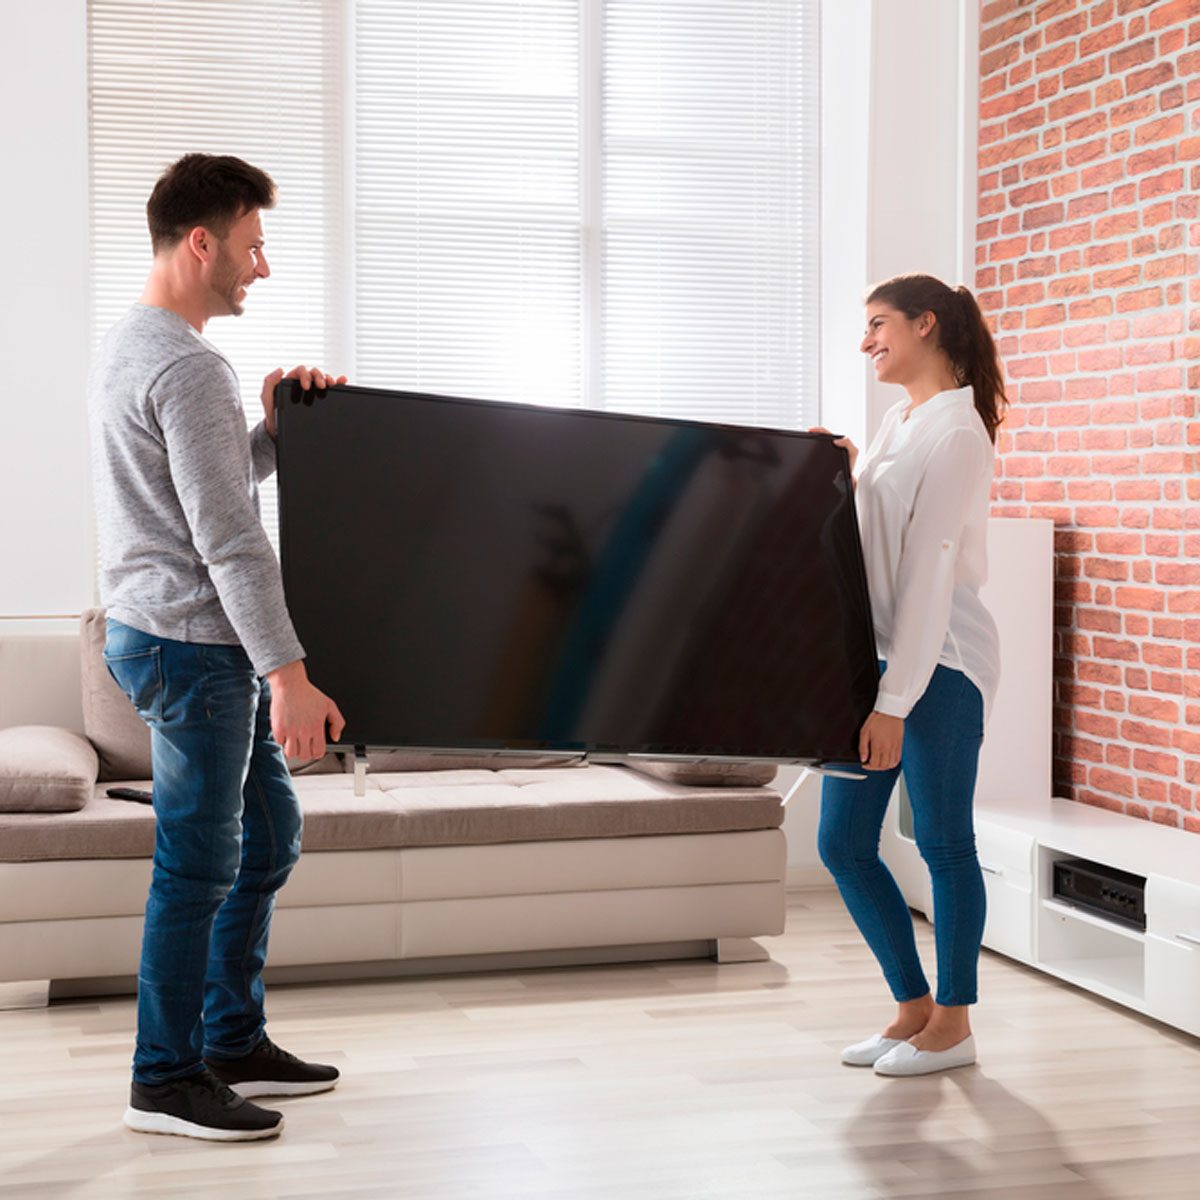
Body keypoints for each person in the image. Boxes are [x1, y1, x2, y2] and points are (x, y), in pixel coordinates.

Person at [88, 153, 348, 1140]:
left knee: (268, 839)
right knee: (197, 866)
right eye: (253, 246)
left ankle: (230, 1039)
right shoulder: (191, 366)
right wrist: (289, 676)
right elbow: (229, 539)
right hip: (193, 645)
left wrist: (272, 433)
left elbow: (203, 487)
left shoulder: (134, 342)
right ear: (202, 243)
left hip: (156, 631)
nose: (262, 267)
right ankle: (164, 1078)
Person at [814, 272, 1005, 1077]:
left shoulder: (958, 433)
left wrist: (894, 703)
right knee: (842, 843)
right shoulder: (900, 421)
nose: (866, 341)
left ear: (925, 324)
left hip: (942, 664)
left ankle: (953, 1025)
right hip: (881, 658)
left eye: (877, 324)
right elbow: (875, 545)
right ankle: (913, 1008)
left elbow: (928, 574)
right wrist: (849, 472)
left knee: (942, 842)